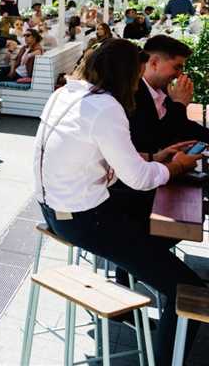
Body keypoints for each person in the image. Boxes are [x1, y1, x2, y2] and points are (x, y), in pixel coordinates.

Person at [32, 38, 205, 363]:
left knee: (155, 229)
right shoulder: (106, 107)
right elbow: (137, 179)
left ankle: (138, 270)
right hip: (86, 221)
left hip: (56, 210)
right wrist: (175, 166)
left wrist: (155, 157)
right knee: (187, 287)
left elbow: (101, 158)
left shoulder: (66, 93)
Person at [129, 35, 209, 157]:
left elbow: (183, 125)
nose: (179, 75)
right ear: (154, 63)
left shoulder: (164, 91)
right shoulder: (132, 93)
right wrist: (179, 104)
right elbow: (154, 139)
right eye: (176, 67)